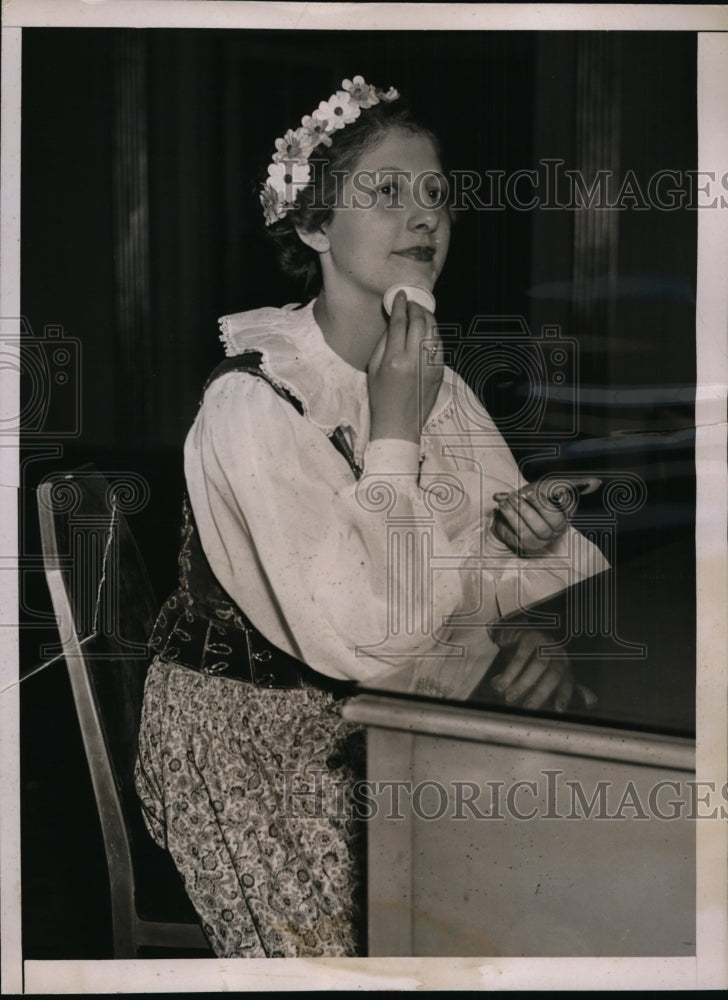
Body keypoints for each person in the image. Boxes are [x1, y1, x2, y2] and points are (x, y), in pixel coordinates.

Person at [134, 75, 608, 959]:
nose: (424, 218)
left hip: (392, 713)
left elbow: (457, 597)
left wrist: (516, 564)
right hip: (248, 742)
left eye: (435, 195)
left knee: (544, 886)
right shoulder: (255, 401)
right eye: (386, 193)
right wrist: (393, 432)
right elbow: (372, 636)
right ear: (313, 226)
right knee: (395, 947)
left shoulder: (438, 380)